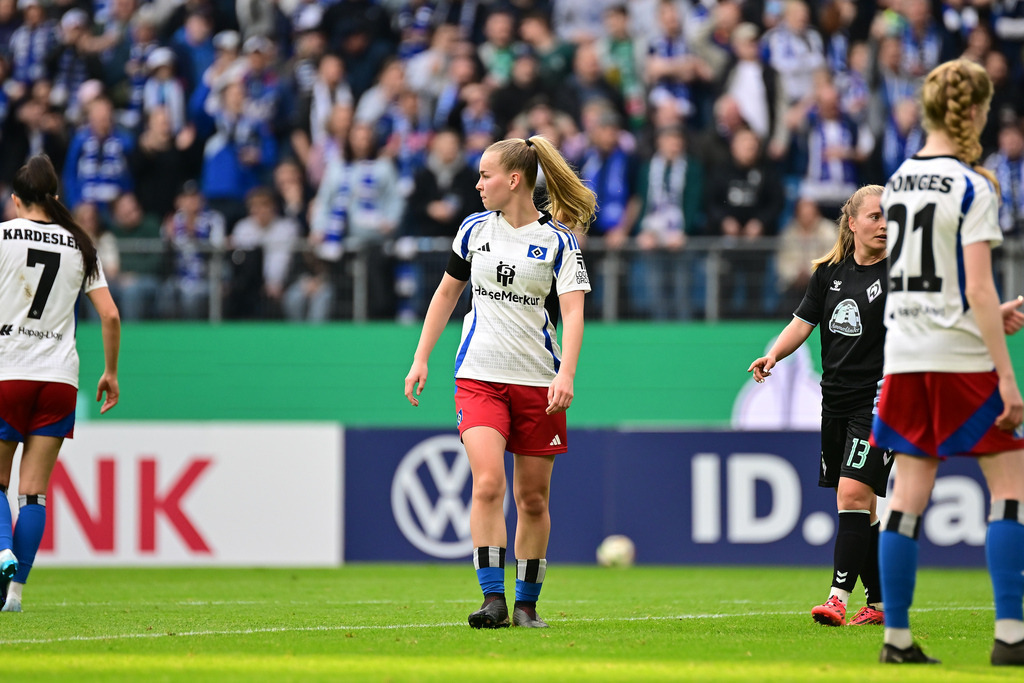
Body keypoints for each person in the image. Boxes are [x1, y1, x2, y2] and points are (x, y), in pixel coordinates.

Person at [403, 135, 595, 629]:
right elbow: (447, 295)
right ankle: (493, 599)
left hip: (538, 384)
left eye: (485, 175)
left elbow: (573, 315)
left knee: (533, 499)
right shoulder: (472, 231)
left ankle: (527, 606)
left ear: (513, 180)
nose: (478, 183)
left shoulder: (559, 242)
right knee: (488, 483)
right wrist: (420, 358)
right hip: (478, 378)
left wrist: (566, 373)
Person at [871, 58, 1024, 666]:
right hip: (961, 358)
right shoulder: (973, 185)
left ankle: (897, 639)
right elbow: (980, 288)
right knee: (1010, 485)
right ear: (977, 113)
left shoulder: (897, 180)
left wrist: (981, 310)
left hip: (905, 354)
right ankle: (1012, 635)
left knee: (906, 494)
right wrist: (1007, 375)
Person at [748, 184, 894, 628]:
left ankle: (836, 598)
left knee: (851, 493)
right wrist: (774, 353)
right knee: (862, 505)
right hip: (835, 400)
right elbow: (802, 322)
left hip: (878, 401)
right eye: (874, 216)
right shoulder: (829, 272)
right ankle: (879, 603)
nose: (884, 224)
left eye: (890, 216)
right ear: (852, 223)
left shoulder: (900, 276)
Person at [0, 154, 120, 612]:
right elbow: (109, 314)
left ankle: (3, 550)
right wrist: (109, 372)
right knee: (33, 491)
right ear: (54, 198)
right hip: (58, 379)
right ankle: (15, 593)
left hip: (7, 370)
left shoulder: (3, 238)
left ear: (16, 201)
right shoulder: (81, 245)